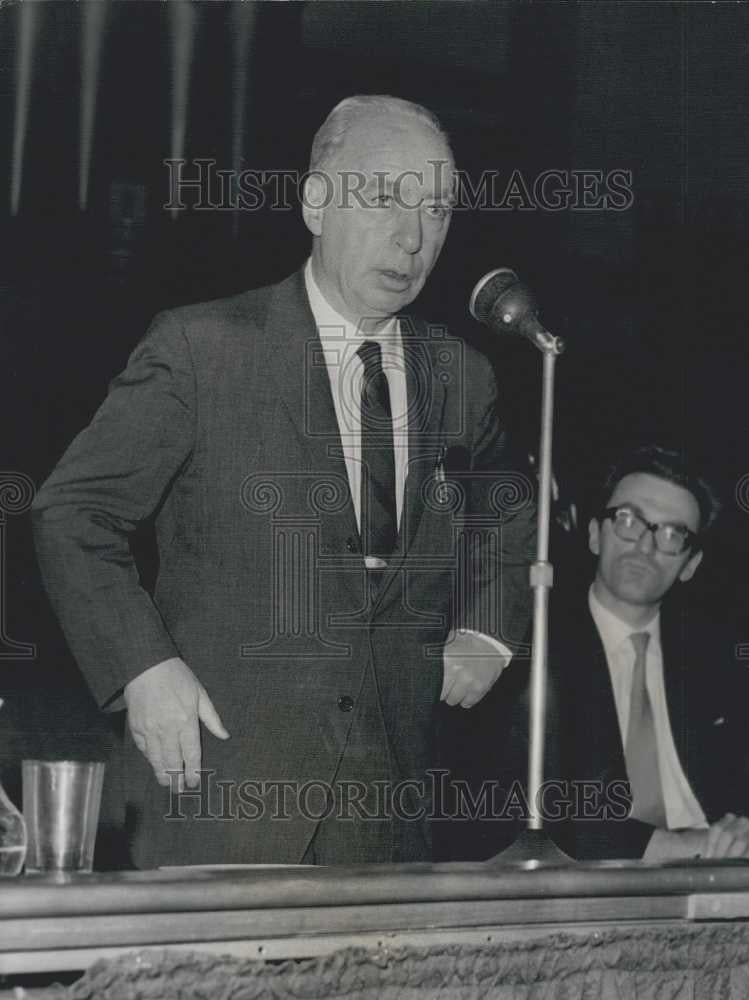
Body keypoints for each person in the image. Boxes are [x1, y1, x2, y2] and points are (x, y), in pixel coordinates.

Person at [31, 95, 536, 867]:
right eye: (384, 197)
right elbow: (73, 513)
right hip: (216, 795)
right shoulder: (202, 349)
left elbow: (508, 505)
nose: (412, 237)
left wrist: (490, 624)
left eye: (436, 209)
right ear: (314, 201)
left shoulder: (462, 378)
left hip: (386, 819)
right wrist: (142, 666)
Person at [550, 444, 749, 862]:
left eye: (672, 534)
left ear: (690, 564)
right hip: (590, 886)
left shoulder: (724, 664)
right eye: (629, 520)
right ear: (595, 534)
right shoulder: (537, 653)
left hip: (720, 882)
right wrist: (682, 847)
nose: (646, 546)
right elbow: (540, 808)